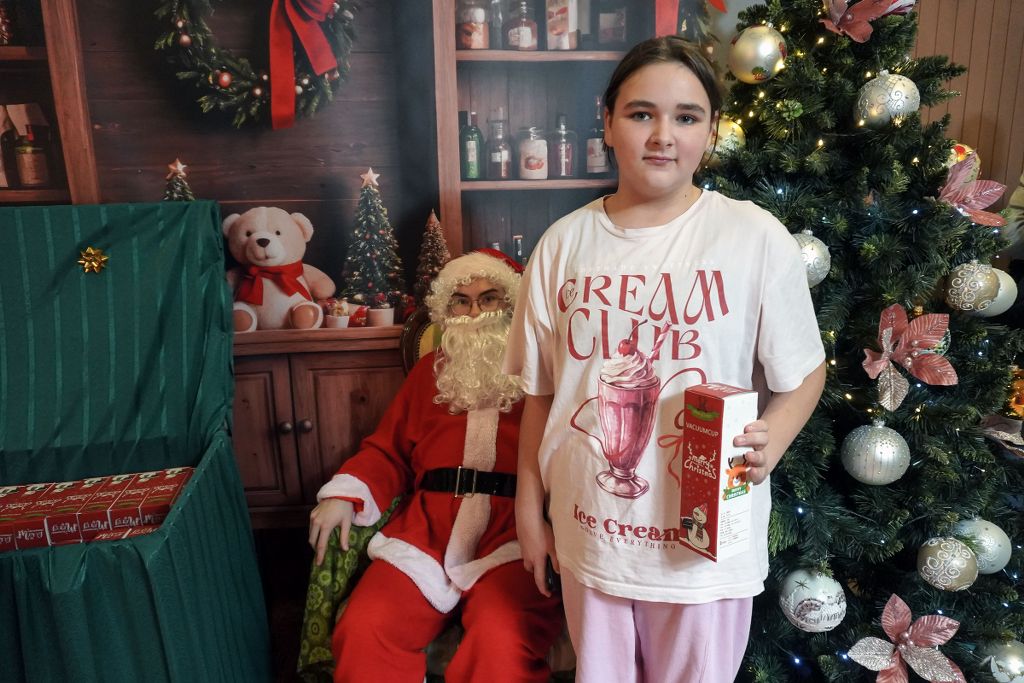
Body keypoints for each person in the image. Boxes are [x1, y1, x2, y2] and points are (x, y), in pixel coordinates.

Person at [504, 36, 827, 683]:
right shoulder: (562, 245)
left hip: (702, 550)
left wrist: (774, 438)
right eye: (640, 113)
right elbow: (541, 395)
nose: (662, 136)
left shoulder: (754, 237)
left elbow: (806, 370)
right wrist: (527, 511)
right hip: (591, 536)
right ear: (607, 122)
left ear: (711, 130)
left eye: (686, 116)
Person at [308, 249, 563, 683]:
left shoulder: (543, 374)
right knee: (366, 626)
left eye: (489, 297)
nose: (475, 311)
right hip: (427, 531)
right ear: (447, 310)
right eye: (461, 301)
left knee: (501, 642)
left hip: (514, 534)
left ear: (513, 304)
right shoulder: (430, 371)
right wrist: (345, 494)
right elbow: (387, 450)